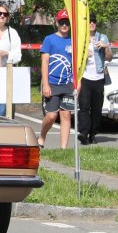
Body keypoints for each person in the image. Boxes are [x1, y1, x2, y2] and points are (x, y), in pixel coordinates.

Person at [38, 12, 76, 148]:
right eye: (62, 22)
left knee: (66, 115)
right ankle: (42, 136)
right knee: (51, 116)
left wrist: (77, 83)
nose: (64, 25)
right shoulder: (49, 39)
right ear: (57, 23)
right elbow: (44, 63)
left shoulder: (73, 41)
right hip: (52, 83)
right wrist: (45, 84)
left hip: (68, 83)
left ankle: (63, 149)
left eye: (67, 22)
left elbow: (77, 63)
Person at [75, 13, 112, 144]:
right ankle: (83, 133)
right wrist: (84, 55)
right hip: (85, 77)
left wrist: (105, 47)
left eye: (94, 21)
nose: (92, 24)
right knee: (84, 106)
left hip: (99, 77)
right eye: (89, 21)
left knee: (97, 108)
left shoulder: (102, 37)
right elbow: (75, 58)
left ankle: (93, 134)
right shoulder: (81, 38)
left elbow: (109, 58)